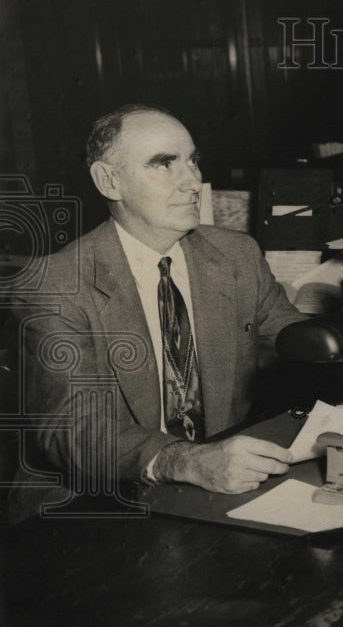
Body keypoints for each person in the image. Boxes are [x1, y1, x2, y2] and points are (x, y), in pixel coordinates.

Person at [6, 105, 311, 524]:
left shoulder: (236, 255)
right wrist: (183, 462)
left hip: (214, 491)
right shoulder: (57, 284)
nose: (192, 182)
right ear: (109, 181)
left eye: (192, 160)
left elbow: (298, 340)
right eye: (163, 164)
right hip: (87, 507)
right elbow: (71, 428)